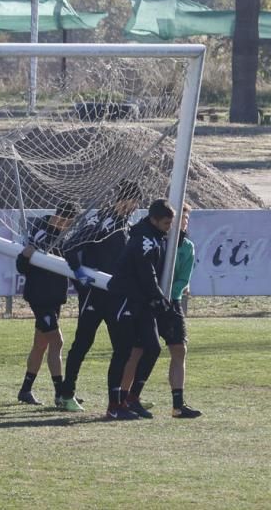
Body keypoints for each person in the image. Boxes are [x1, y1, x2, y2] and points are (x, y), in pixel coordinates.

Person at [59, 180, 142, 407]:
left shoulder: (126, 225)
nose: (135, 208)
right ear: (124, 200)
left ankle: (120, 398)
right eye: (134, 203)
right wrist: (78, 272)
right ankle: (66, 394)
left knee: (124, 346)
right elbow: (70, 245)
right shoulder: (100, 220)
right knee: (82, 344)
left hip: (116, 296)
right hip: (94, 294)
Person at [107, 199, 176, 420]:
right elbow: (147, 274)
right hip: (125, 300)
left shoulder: (156, 237)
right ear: (154, 220)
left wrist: (155, 299)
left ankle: (131, 397)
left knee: (153, 347)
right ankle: (114, 405)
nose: (169, 227)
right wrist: (160, 299)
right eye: (166, 223)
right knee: (123, 352)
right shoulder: (144, 240)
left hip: (143, 302)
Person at [14, 202, 80, 408]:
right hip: (40, 297)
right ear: (62, 217)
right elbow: (22, 263)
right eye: (68, 222)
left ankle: (25, 390)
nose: (69, 227)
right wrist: (27, 255)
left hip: (54, 297)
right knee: (57, 341)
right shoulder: (41, 232)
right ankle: (61, 393)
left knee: (41, 344)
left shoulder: (65, 236)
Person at [166, 204, 201, 418]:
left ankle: (178, 405)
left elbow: (183, 279)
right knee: (140, 350)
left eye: (186, 219)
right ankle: (128, 398)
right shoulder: (158, 241)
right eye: (181, 218)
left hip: (171, 303)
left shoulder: (187, 246)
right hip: (149, 302)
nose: (184, 222)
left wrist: (169, 295)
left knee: (179, 349)